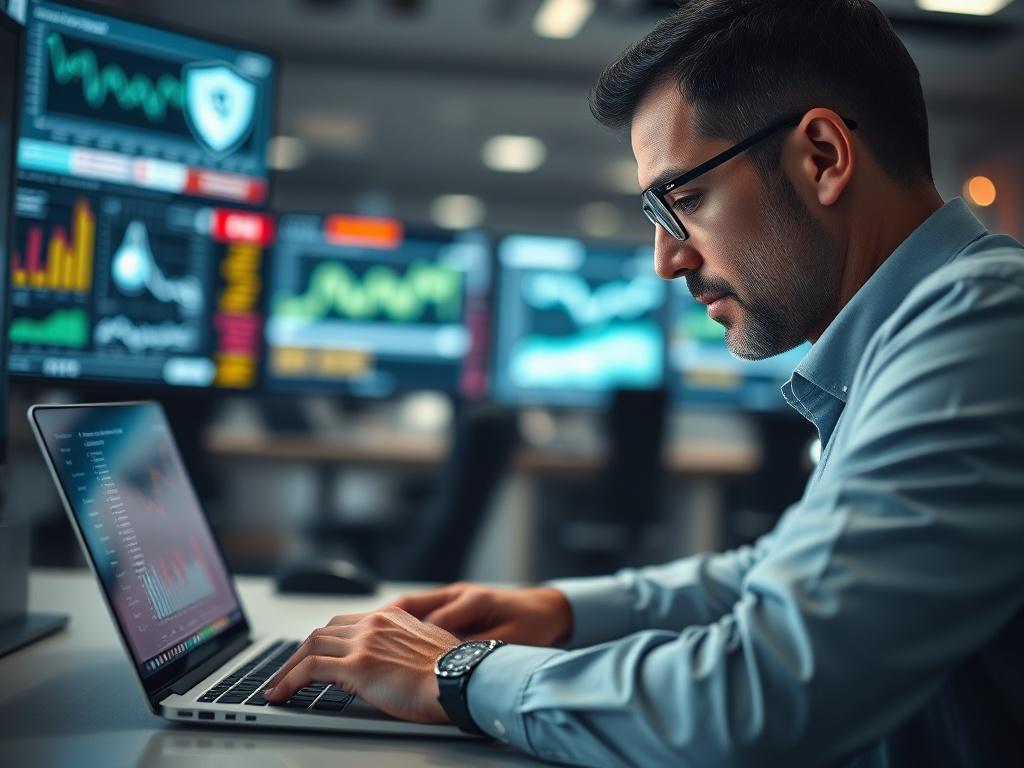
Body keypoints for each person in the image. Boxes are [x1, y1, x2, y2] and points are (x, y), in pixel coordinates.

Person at [263, 1, 1024, 764]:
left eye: (683, 200)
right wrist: (558, 611)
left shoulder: (984, 326)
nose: (667, 260)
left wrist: (459, 672)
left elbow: (759, 695)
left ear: (822, 157)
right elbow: (787, 574)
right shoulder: (924, 334)